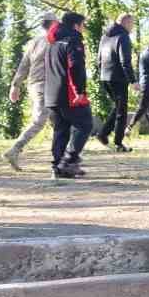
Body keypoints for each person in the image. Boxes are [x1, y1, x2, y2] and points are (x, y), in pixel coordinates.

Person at [43, 11, 94, 179]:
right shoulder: (73, 40)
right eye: (83, 25)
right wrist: (80, 91)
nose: (84, 29)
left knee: (61, 130)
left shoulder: (53, 43)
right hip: (69, 93)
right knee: (85, 124)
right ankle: (68, 161)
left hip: (51, 94)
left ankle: (58, 166)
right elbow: (75, 66)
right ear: (76, 25)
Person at [4, 14, 57, 171]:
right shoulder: (53, 41)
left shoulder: (34, 42)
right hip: (45, 85)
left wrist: (15, 85)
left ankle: (64, 156)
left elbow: (24, 65)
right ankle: (14, 149)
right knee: (39, 121)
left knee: (58, 121)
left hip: (35, 85)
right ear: (53, 23)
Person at [95, 13, 136, 151]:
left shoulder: (105, 37)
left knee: (118, 107)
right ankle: (118, 143)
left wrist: (103, 74)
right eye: (132, 23)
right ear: (125, 23)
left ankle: (103, 134)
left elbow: (98, 60)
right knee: (121, 111)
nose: (133, 26)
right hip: (118, 78)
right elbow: (125, 61)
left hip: (105, 77)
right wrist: (133, 80)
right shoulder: (123, 37)